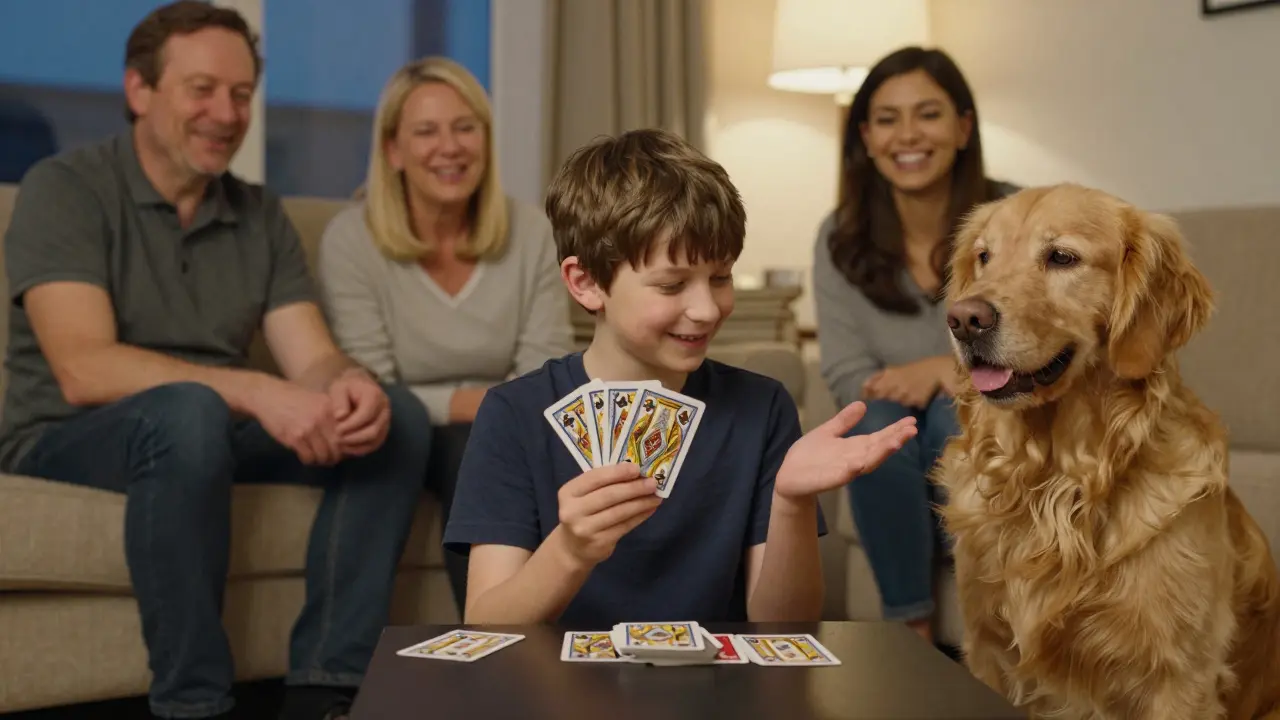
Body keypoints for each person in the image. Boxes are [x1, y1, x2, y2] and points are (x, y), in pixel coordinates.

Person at [0, 3, 430, 719]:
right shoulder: (65, 189)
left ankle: (328, 686)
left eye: (240, 94)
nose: (226, 114)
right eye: (202, 90)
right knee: (191, 411)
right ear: (139, 90)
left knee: (398, 419)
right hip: (68, 437)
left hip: (205, 428)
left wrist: (348, 387)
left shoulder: (258, 213)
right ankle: (194, 703)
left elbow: (311, 356)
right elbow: (83, 368)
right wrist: (259, 391)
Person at [441, 128, 919, 627]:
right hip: (561, 695)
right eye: (671, 285)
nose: (707, 308)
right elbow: (487, 624)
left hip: (718, 696)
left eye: (721, 277)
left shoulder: (763, 408)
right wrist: (570, 550)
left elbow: (786, 626)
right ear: (586, 283)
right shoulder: (514, 414)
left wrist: (791, 503)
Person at [316, 56, 574, 615]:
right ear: (393, 150)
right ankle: (347, 681)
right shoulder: (350, 240)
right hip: (401, 432)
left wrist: (489, 411)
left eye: (465, 127)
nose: (450, 147)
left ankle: (507, 652)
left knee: (480, 442)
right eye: (426, 132)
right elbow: (372, 384)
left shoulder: (531, 232)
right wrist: (474, 403)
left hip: (506, 428)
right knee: (432, 437)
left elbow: (544, 368)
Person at [812, 46, 1019, 646]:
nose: (908, 135)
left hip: (995, 410)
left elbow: (1036, 346)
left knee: (950, 413)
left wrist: (942, 371)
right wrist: (917, 389)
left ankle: (993, 612)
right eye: (886, 118)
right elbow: (847, 371)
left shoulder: (1015, 217)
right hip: (893, 422)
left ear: (962, 127)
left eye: (927, 114)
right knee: (871, 427)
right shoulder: (839, 236)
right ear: (866, 138)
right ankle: (914, 631)